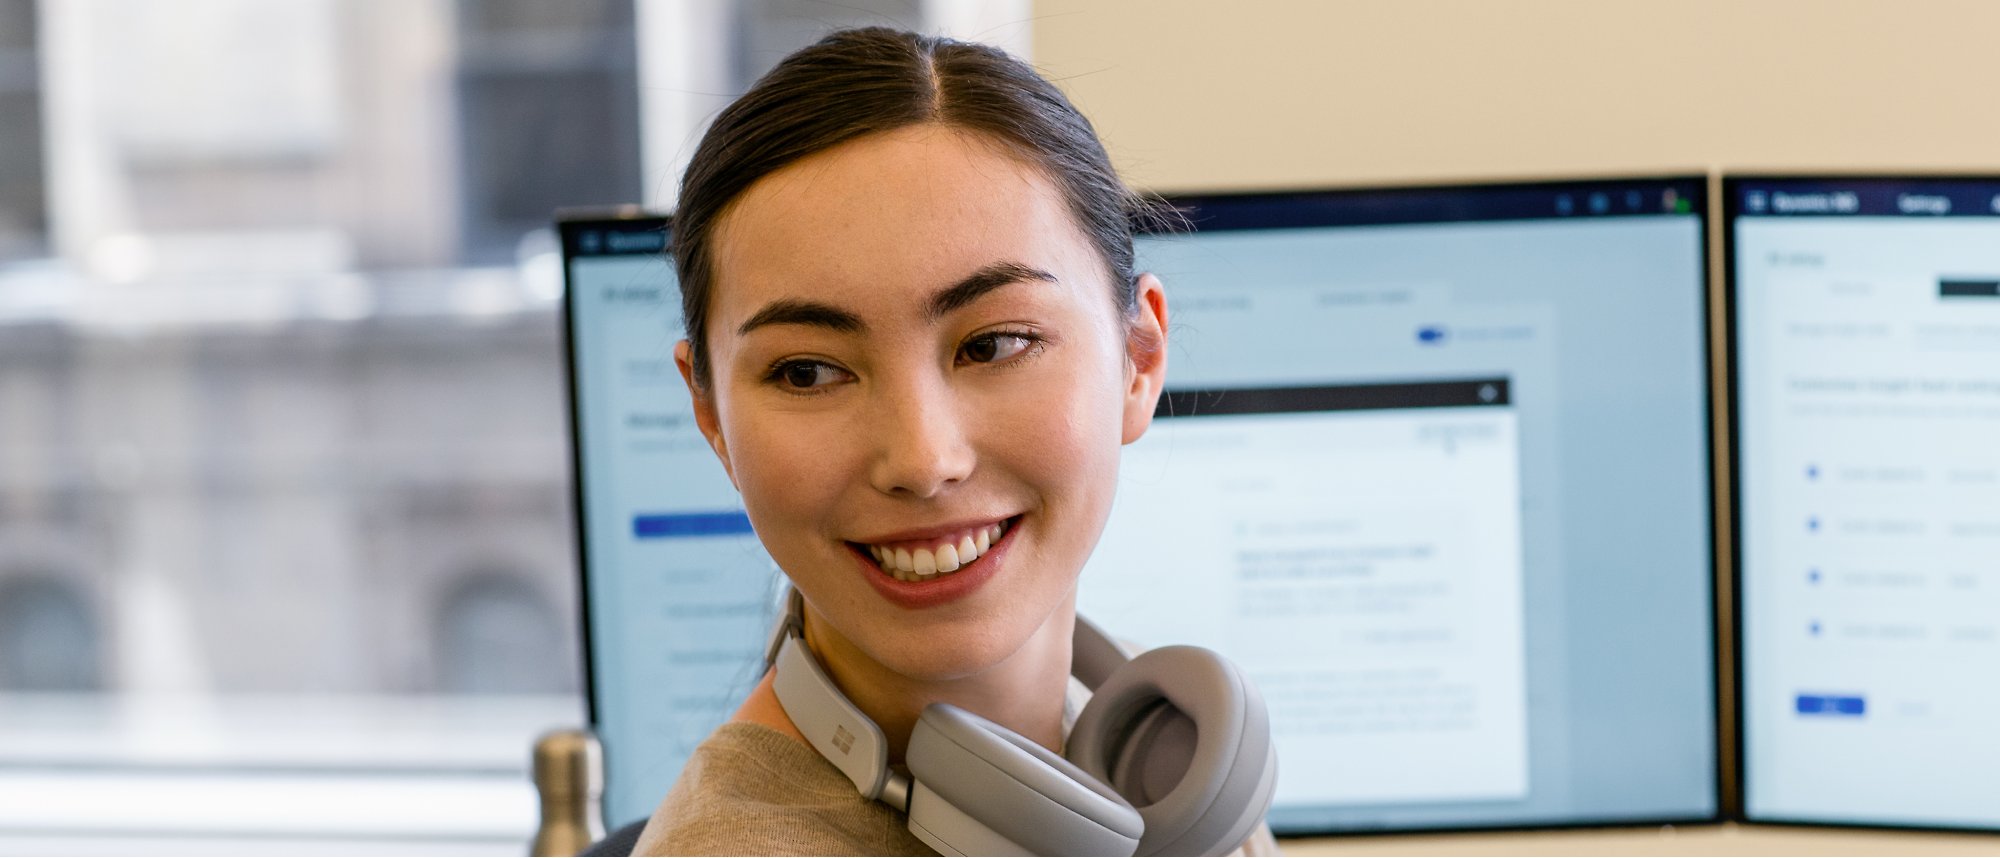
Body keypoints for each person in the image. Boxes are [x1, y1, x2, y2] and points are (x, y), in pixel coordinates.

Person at [631, 26, 1277, 856]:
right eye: (806, 372)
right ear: (711, 413)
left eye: (995, 344)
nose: (922, 460)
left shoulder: (1157, 764)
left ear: (1140, 359)